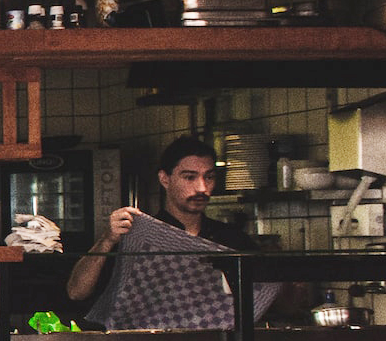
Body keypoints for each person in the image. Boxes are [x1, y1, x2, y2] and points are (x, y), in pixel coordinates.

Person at [66, 135, 259, 328]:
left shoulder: (231, 239)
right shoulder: (140, 237)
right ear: (164, 179)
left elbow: (270, 295)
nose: (202, 188)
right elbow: (77, 292)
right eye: (189, 177)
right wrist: (107, 239)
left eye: (208, 177)